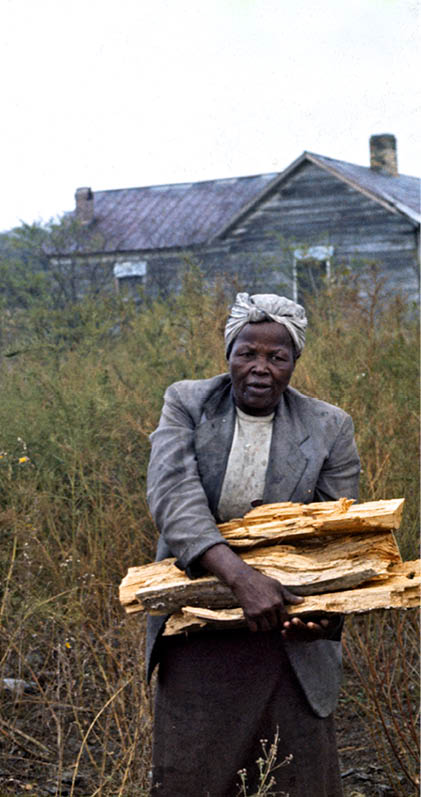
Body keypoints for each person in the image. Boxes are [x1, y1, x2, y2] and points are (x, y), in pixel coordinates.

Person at [146, 292, 360, 796]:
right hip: (201, 616)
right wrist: (240, 578)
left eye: (276, 356)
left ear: (294, 363)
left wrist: (325, 614)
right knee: (194, 775)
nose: (260, 368)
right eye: (248, 353)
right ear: (229, 354)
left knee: (296, 777)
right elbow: (173, 494)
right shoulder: (187, 402)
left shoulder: (329, 427)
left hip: (288, 632)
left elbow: (338, 530)